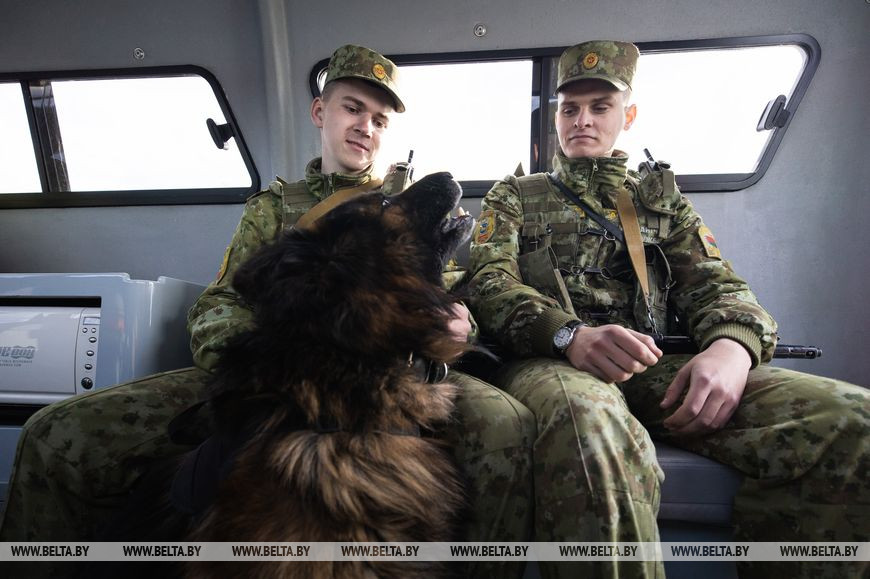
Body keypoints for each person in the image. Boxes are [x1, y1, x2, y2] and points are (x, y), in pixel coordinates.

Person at [0, 45, 535, 579]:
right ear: (320, 112)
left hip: (386, 383)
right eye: (352, 109)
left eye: (378, 119)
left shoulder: (410, 216)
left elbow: (444, 308)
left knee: (504, 426)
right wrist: (269, 362)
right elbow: (218, 304)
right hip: (265, 379)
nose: (364, 127)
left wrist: (459, 331)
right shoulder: (273, 207)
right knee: (56, 433)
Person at [468, 39, 869, 579]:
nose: (581, 120)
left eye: (600, 107)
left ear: (627, 115)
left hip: (657, 365)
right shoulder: (514, 194)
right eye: (570, 108)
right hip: (554, 362)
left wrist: (732, 347)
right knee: (586, 421)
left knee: (851, 419)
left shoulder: (663, 203)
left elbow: (714, 283)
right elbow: (489, 282)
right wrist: (569, 335)